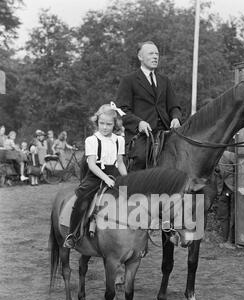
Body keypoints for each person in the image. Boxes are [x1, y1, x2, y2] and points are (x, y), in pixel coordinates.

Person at [63, 104, 128, 249]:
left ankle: (136, 238)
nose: (105, 127)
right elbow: (92, 164)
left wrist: (129, 179)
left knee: (132, 197)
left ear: (115, 124)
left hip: (115, 175)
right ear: (97, 122)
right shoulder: (92, 140)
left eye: (109, 124)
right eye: (102, 123)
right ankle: (72, 234)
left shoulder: (119, 140)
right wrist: (105, 179)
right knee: (83, 200)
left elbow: (121, 163)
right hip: (95, 176)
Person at [116, 41, 182, 171]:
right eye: (151, 53)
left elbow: (174, 107)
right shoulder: (129, 80)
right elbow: (122, 111)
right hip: (141, 134)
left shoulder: (165, 80)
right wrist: (138, 123)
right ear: (140, 57)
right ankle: (132, 188)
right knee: (140, 158)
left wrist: (176, 118)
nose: (155, 56)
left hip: (166, 131)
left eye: (157, 54)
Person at [216, 148, 237, 249]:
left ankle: (231, 240)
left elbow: (240, 167)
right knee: (223, 215)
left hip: (233, 189)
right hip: (222, 190)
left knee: (234, 216)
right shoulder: (213, 157)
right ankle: (224, 240)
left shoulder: (229, 155)